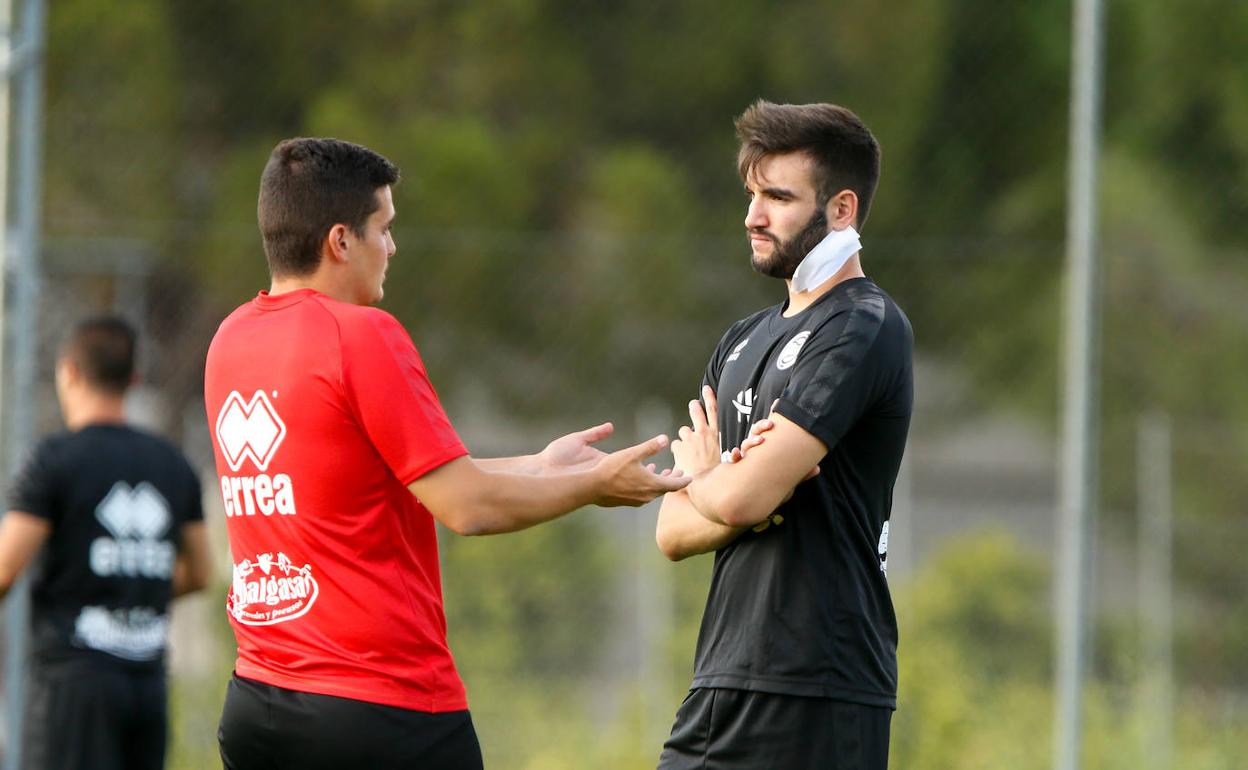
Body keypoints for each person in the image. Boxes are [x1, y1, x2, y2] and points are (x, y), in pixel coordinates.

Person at [205, 137, 689, 770]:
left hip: (258, 708)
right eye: (384, 227)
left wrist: (539, 467)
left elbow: (388, 478)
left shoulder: (230, 340)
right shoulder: (362, 335)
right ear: (340, 241)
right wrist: (595, 486)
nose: (393, 247)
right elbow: (467, 508)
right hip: (379, 713)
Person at [655, 101, 914, 769]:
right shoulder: (741, 339)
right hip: (719, 680)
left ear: (841, 209)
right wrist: (735, 487)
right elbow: (672, 531)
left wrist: (725, 488)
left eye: (777, 196)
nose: (753, 216)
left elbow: (734, 502)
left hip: (818, 689)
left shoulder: (863, 326)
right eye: (752, 194)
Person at [0, 316, 212, 770]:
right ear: (132, 380)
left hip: (73, 687)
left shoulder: (53, 460)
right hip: (146, 685)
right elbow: (200, 572)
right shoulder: (172, 464)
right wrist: (134, 583)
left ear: (69, 372)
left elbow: (5, 569)